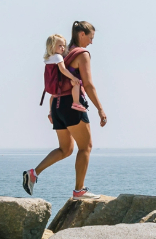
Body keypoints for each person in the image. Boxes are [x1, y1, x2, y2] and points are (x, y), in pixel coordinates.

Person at [21, 21, 106, 200]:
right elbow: (88, 85)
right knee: (86, 147)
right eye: (91, 37)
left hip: (57, 104)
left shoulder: (63, 52)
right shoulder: (82, 54)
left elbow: (56, 81)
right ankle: (79, 191)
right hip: (71, 105)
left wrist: (52, 110)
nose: (91, 42)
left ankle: (33, 173)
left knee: (65, 149)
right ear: (81, 34)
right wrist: (100, 109)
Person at [41, 34, 90, 116]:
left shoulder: (48, 58)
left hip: (50, 86)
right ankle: (76, 103)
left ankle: (51, 112)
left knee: (53, 96)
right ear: (51, 46)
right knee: (76, 83)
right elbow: (63, 69)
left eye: (63, 45)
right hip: (59, 84)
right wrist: (73, 78)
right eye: (60, 46)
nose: (63, 48)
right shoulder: (58, 57)